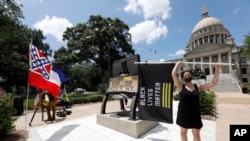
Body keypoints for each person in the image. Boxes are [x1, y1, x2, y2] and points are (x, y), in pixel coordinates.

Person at [171, 61, 221, 141]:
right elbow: (173, 74)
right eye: (185, 76)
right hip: (183, 114)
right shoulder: (180, 87)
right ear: (183, 78)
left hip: (195, 114)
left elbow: (213, 83)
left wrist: (217, 70)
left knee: (196, 134)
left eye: (189, 75)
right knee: (183, 133)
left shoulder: (198, 87)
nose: (187, 76)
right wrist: (177, 64)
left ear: (192, 76)